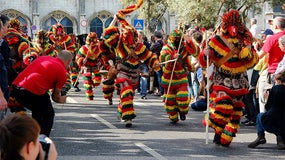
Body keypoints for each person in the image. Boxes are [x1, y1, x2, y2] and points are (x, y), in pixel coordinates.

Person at [198, 10, 259, 146]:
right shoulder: (216, 40)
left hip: (239, 81)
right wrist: (205, 54)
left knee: (236, 111)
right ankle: (216, 129)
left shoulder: (245, 41)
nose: (233, 28)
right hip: (221, 80)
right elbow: (205, 61)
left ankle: (226, 135)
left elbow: (252, 63)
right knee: (223, 105)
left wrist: (249, 51)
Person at [101, 0, 160, 127]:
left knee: (129, 95)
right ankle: (128, 118)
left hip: (134, 75)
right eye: (127, 35)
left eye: (131, 35)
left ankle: (121, 110)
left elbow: (149, 57)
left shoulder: (139, 46)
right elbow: (107, 34)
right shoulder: (118, 43)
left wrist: (155, 63)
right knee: (126, 92)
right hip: (122, 73)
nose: (129, 37)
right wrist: (115, 19)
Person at [11, 50, 73, 137]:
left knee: (39, 110)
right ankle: (42, 140)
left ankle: (34, 136)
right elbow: (55, 97)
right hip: (31, 91)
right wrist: (62, 99)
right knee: (48, 114)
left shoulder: (44, 58)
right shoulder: (62, 71)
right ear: (69, 61)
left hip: (17, 88)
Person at [160, 29, 200, 124]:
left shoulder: (184, 47)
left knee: (183, 96)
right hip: (169, 78)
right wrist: (172, 57)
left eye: (180, 39)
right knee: (169, 100)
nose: (178, 41)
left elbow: (196, 52)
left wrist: (188, 40)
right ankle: (173, 116)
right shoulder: (166, 48)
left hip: (181, 76)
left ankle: (183, 111)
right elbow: (162, 58)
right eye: (176, 39)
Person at [248, 71, 285, 150]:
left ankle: (261, 136)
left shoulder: (275, 89)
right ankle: (280, 139)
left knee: (260, 116)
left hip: (273, 121)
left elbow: (268, 107)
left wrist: (267, 98)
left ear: (278, 81)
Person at [256, 17, 285, 85]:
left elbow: (259, 56)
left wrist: (255, 49)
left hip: (275, 72)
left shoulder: (272, 39)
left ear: (275, 26)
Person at [76, 32, 103, 100]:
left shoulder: (98, 48)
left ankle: (93, 84)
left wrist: (100, 62)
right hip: (86, 67)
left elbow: (102, 57)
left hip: (95, 67)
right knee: (87, 83)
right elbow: (78, 57)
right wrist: (82, 60)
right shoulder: (83, 48)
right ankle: (89, 96)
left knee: (97, 81)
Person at [150, 31, 164, 96]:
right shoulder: (164, 43)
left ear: (155, 37)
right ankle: (162, 90)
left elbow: (150, 49)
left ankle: (161, 91)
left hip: (157, 62)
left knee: (159, 77)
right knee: (162, 76)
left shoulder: (156, 44)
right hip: (163, 61)